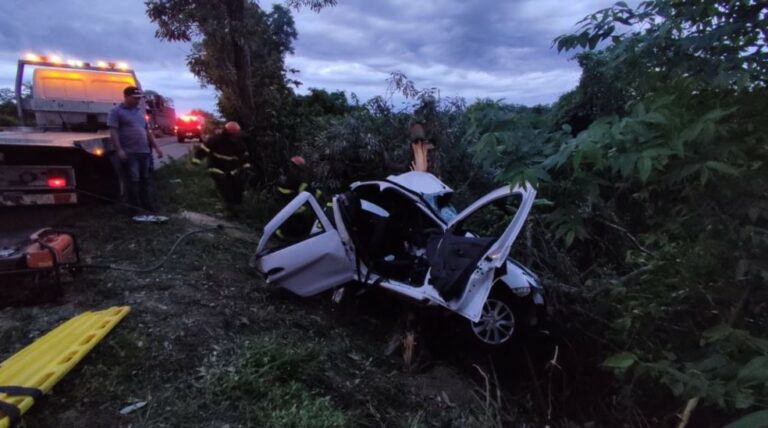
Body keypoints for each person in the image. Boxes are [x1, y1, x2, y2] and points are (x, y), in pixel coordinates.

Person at [108, 86, 164, 214]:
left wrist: (157, 148)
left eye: (139, 98)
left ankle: (147, 206)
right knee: (133, 180)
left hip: (144, 152)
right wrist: (119, 150)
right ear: (126, 97)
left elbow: (147, 131)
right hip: (130, 153)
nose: (138, 101)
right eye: (135, 98)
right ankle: (134, 209)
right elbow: (113, 132)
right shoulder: (116, 112)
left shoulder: (139, 112)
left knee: (145, 180)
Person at [192, 121, 251, 217]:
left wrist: (246, 168)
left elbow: (244, 157)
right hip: (216, 167)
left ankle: (237, 207)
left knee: (238, 185)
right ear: (227, 132)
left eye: (236, 134)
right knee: (224, 184)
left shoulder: (239, 143)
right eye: (232, 134)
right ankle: (228, 208)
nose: (234, 136)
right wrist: (196, 161)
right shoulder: (216, 140)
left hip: (232, 169)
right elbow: (203, 151)